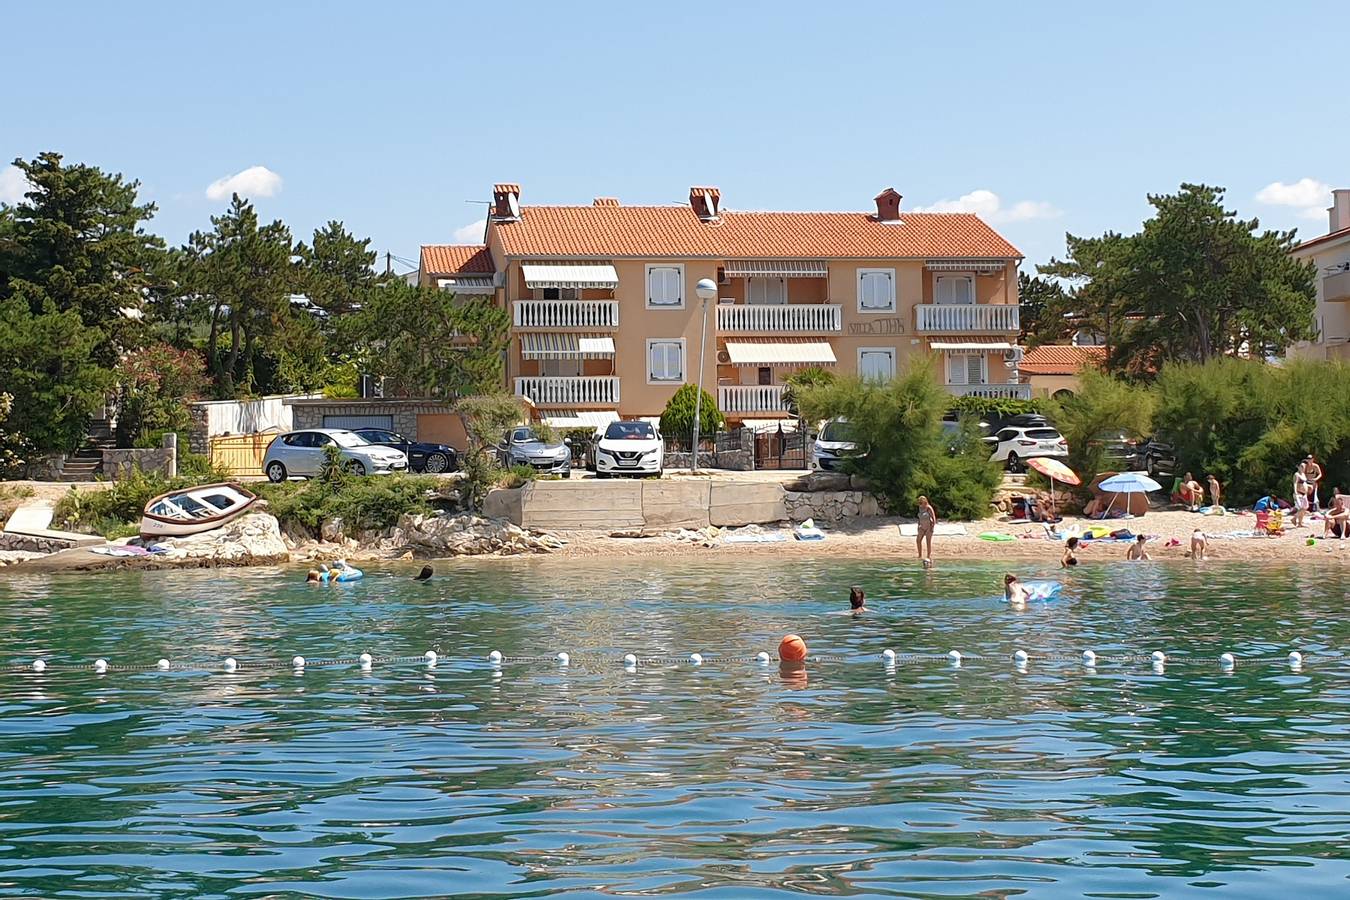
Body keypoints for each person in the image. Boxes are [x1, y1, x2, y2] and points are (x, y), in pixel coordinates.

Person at [915, 495, 937, 567]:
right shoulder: (920, 508)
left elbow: (933, 518)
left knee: (928, 541)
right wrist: (918, 525)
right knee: (918, 540)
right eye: (920, 502)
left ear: (925, 501)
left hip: (928, 526)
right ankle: (920, 554)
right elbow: (919, 517)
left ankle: (928, 555)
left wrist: (932, 527)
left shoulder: (929, 508)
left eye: (922, 502)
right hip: (922, 526)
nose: (921, 504)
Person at [1293, 462, 1310, 528]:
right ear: (1298, 467)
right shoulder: (1296, 474)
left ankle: (1300, 523)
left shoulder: (1303, 474)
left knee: (1305, 507)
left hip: (1304, 494)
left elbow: (1304, 483)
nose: (1303, 468)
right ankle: (1294, 518)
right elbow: (1295, 483)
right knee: (1301, 508)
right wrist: (1295, 492)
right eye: (1302, 466)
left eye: (1304, 467)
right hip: (1299, 493)